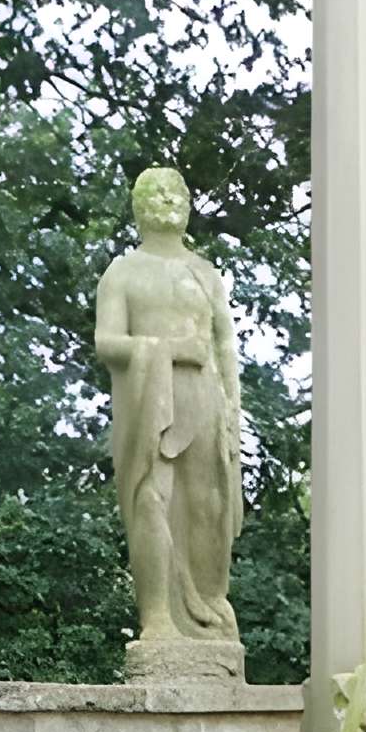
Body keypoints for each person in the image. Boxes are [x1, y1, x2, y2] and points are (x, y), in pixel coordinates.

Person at [93, 167, 244, 652]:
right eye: (155, 192)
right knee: (151, 499)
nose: (167, 199)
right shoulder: (123, 272)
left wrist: (234, 414)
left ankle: (207, 606)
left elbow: (225, 346)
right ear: (138, 206)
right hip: (147, 399)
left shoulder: (206, 273)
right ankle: (157, 617)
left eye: (176, 191)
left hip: (204, 398)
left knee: (209, 503)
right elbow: (106, 342)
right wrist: (171, 349)